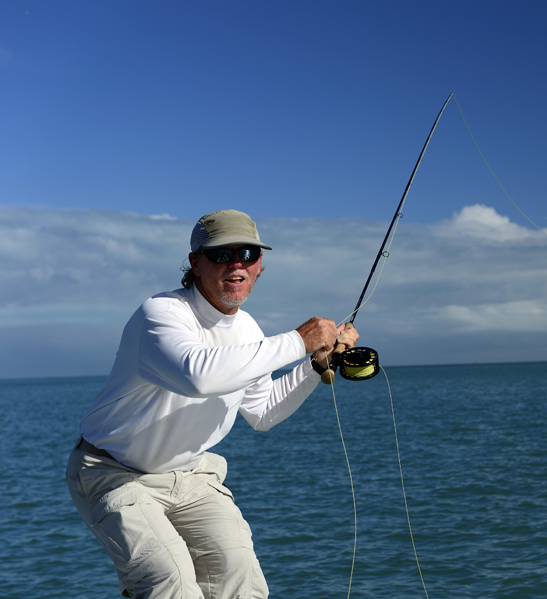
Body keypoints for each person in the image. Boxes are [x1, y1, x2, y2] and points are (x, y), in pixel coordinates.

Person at [66, 209, 358, 599]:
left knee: (242, 580)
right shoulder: (162, 313)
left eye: (248, 255)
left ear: (260, 269)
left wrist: (313, 365)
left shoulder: (249, 330)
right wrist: (297, 340)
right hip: (113, 472)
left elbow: (263, 410)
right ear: (195, 263)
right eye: (222, 254)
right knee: (168, 579)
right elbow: (197, 376)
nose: (236, 264)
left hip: (191, 476)